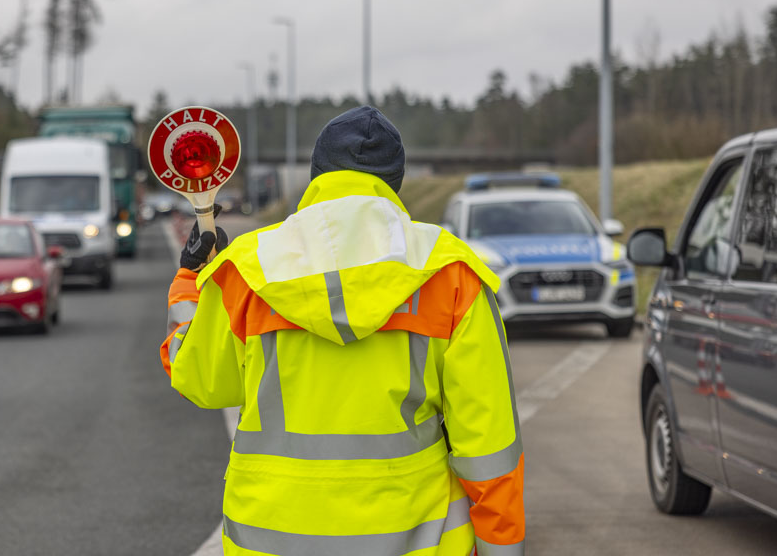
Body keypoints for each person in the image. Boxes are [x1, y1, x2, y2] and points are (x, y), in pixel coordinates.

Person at [160, 106, 524, 555]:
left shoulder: (246, 270)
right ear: (395, 183)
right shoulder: (450, 273)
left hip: (271, 539)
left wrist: (189, 284)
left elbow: (201, 382)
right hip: (416, 540)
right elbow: (489, 450)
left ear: (316, 177)